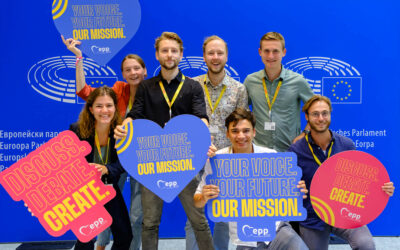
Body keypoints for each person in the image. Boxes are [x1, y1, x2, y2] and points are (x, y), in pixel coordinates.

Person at [114, 32, 213, 250]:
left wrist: (205, 132)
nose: (169, 55)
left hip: (185, 162)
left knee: (199, 221)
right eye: (165, 51)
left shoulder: (193, 87)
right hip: (153, 163)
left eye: (174, 51)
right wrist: (125, 125)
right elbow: (136, 113)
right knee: (149, 223)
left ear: (181, 54)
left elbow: (200, 115)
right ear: (157, 55)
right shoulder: (146, 87)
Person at [62, 35, 146, 250]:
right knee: (92, 227)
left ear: (144, 71)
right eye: (128, 69)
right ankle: (100, 244)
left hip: (137, 158)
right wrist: (78, 57)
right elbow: (85, 92)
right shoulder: (117, 91)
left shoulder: (154, 92)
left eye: (137, 68)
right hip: (97, 178)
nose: (133, 73)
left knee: (134, 217)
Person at [288, 95, 395, 250]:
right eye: (315, 114)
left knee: (366, 244)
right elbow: (289, 189)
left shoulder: (346, 145)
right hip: (313, 217)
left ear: (330, 114)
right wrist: (295, 189)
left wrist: (381, 189)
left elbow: (360, 181)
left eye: (325, 113)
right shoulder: (296, 150)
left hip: (345, 213)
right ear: (307, 117)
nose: (320, 118)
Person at [194, 108, 309, 250]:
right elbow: (197, 201)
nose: (241, 136)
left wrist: (296, 191)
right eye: (235, 131)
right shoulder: (217, 161)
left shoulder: (271, 156)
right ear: (227, 134)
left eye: (246, 130)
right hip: (244, 236)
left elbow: (290, 192)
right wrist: (204, 197)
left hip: (277, 229)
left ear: (254, 132)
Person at [185, 35, 248, 250]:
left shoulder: (238, 88)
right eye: (211, 53)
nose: (215, 57)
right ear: (204, 56)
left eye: (219, 53)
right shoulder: (191, 85)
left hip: (225, 160)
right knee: (194, 213)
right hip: (194, 158)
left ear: (226, 56)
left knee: (223, 215)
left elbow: (241, 127)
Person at [70, 86, 133, 250]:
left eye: (109, 105)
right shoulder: (76, 130)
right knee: (86, 238)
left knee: (125, 235)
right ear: (91, 109)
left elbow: (125, 162)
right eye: (99, 106)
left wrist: (107, 169)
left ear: (115, 107)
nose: (104, 110)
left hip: (108, 187)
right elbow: (67, 163)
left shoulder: (122, 131)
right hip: (84, 190)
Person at [244, 32, 314, 152]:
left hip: (290, 151)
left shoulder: (298, 81)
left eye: (275, 51)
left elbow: (316, 110)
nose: (271, 56)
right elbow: (241, 111)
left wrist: (305, 133)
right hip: (258, 151)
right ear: (260, 52)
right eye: (266, 51)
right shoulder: (250, 81)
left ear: (284, 52)